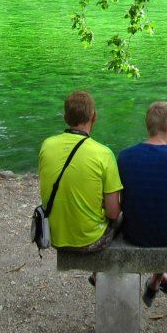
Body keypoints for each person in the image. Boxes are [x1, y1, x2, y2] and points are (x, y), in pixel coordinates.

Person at [116, 101, 167, 307]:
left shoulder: (124, 156)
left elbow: (122, 201)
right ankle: (158, 278)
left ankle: (159, 279)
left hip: (134, 233)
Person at [38, 90, 123, 260]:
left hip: (55, 236)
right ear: (94, 116)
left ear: (65, 117)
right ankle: (105, 275)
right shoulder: (103, 153)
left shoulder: (47, 146)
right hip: (90, 240)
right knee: (124, 217)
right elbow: (113, 213)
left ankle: (96, 274)